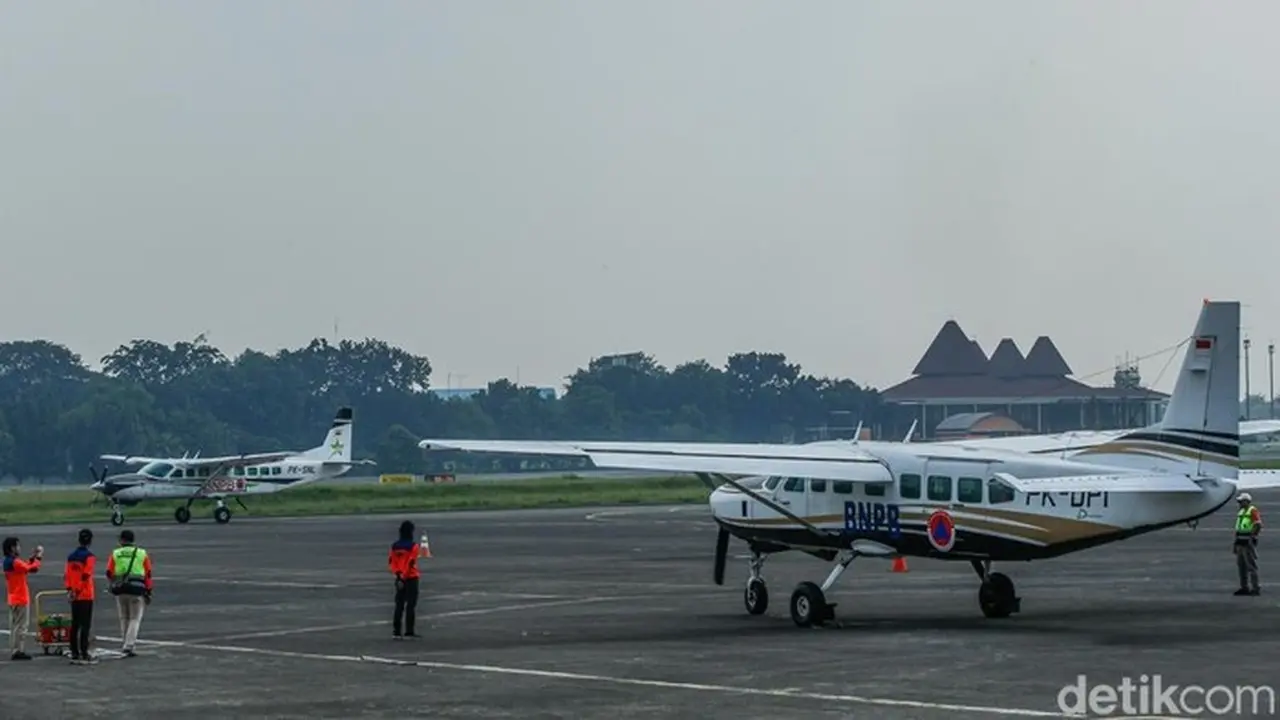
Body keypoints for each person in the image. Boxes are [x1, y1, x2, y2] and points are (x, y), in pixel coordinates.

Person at [105, 529, 152, 657]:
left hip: (120, 589)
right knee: (135, 619)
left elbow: (109, 572)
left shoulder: (116, 553)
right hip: (137, 589)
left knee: (124, 618)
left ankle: (125, 642)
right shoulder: (142, 553)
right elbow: (148, 574)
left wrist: (113, 583)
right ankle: (129, 645)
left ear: (122, 540)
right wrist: (148, 591)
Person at [3, 536, 43, 661]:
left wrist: (33, 558)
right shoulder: (15, 562)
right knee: (22, 626)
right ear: (12, 548)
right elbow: (32, 568)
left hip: (12, 597)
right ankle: (18, 650)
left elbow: (25, 565)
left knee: (15, 626)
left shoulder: (8, 562)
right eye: (18, 546)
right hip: (20, 597)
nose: (19, 548)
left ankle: (15, 649)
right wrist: (38, 557)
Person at [64, 528, 97, 664]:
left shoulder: (71, 557)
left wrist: (70, 590)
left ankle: (74, 651)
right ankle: (84, 651)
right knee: (85, 625)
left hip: (74, 594)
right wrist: (77, 590)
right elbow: (86, 575)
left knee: (75, 624)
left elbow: (67, 575)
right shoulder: (89, 557)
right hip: (85, 594)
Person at [387, 520, 421, 639]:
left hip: (398, 577)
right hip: (411, 577)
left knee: (399, 605)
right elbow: (410, 563)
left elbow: (392, 562)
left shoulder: (394, 546)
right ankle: (409, 631)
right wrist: (404, 576)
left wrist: (398, 575)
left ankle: (396, 631)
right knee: (410, 605)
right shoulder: (414, 546)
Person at [1234, 492, 1262, 596]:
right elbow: (1238, 528)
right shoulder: (1241, 512)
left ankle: (1255, 587)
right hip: (1240, 542)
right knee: (1241, 566)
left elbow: (1258, 524)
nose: (1239, 503)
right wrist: (1235, 543)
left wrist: (1253, 536)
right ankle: (1244, 587)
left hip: (1247, 542)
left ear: (1246, 501)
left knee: (1251, 565)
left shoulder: (1252, 510)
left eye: (1241, 501)